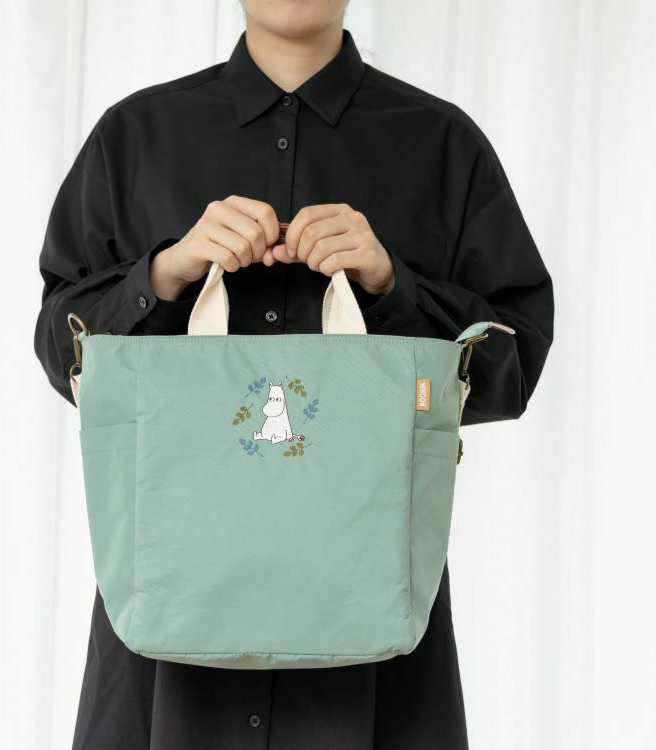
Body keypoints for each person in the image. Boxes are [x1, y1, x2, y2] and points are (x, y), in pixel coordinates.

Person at [34, 2, 554, 748]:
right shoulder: (136, 137)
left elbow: (513, 363)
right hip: (166, 649)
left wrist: (392, 286)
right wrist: (164, 273)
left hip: (377, 655)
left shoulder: (442, 145)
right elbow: (61, 350)